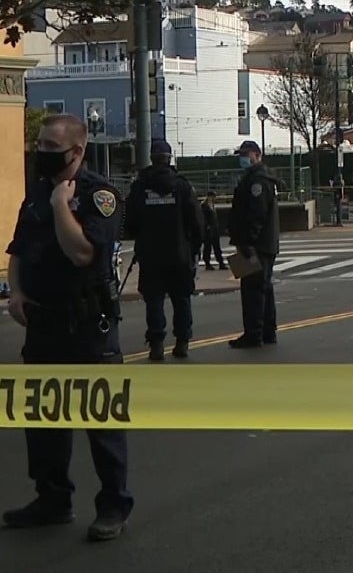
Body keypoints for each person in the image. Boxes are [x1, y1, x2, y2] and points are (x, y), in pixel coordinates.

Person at [3, 113, 133, 541]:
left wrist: (62, 205)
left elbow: (82, 254)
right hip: (43, 324)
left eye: (49, 148)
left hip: (87, 326)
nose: (41, 154)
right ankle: (52, 498)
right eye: (38, 145)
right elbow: (19, 249)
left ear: (77, 151)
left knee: (101, 420)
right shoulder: (37, 192)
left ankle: (113, 505)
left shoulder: (100, 196)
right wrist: (16, 292)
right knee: (43, 419)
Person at [124, 139, 203, 360]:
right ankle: (182, 341)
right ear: (170, 158)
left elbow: (130, 222)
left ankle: (156, 344)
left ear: (151, 157)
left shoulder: (139, 188)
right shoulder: (182, 186)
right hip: (179, 253)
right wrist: (195, 248)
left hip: (150, 254)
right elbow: (196, 221)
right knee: (182, 298)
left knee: (154, 300)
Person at [227, 140, 281, 349]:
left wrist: (247, 241)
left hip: (256, 244)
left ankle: (254, 333)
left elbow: (255, 215)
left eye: (246, 154)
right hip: (264, 243)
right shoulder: (258, 179)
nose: (243, 158)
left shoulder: (257, 181)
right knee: (263, 288)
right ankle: (267, 331)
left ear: (257, 155)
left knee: (252, 290)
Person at [200, 191, 226, 270]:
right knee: (208, 247)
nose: (213, 198)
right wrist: (207, 226)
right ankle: (207, 263)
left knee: (216, 246)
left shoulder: (212, 205)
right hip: (208, 229)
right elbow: (203, 217)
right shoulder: (204, 205)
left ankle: (220, 262)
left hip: (214, 228)